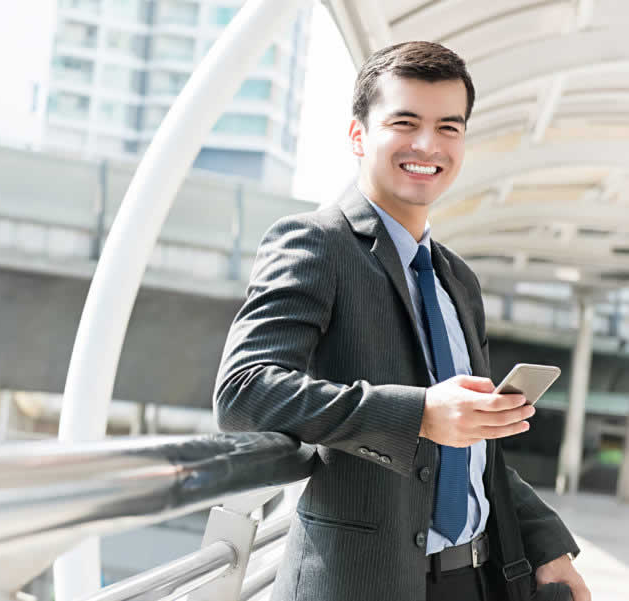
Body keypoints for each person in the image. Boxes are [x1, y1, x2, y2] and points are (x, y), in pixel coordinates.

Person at [213, 41, 591, 601]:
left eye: (448, 127)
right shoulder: (316, 244)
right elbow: (243, 393)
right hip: (362, 583)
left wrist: (548, 545)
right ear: (358, 135)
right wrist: (418, 415)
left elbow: (477, 454)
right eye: (405, 122)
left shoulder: (456, 280)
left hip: (476, 579)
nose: (427, 145)